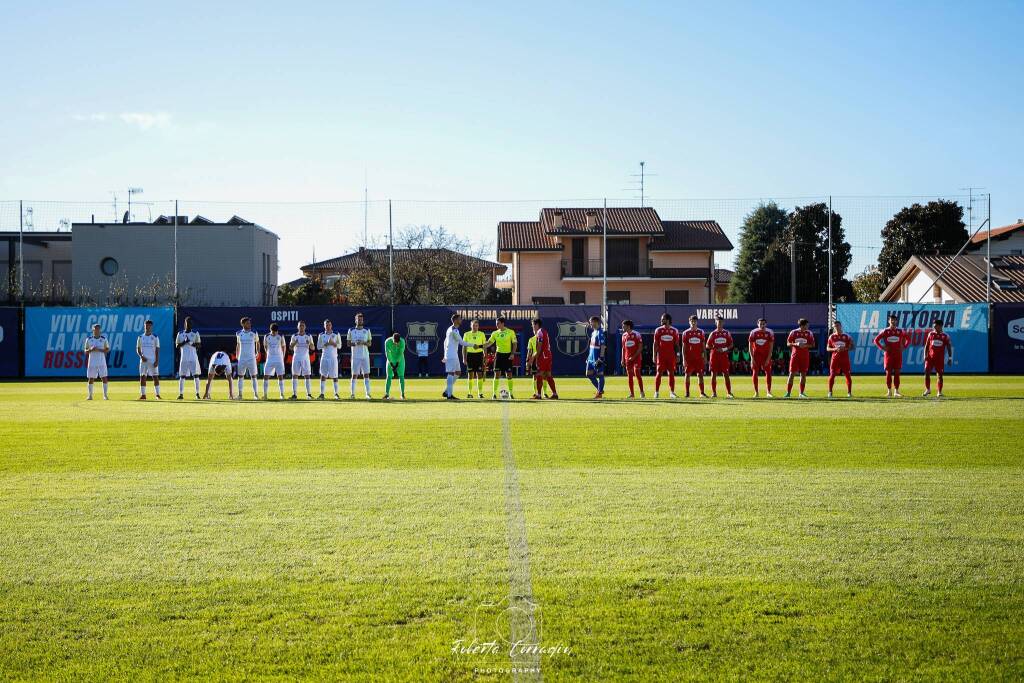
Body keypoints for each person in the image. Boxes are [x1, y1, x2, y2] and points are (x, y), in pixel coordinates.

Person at [442, 313, 478, 399]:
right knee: (451, 373)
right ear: (455, 320)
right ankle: (449, 395)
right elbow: (462, 342)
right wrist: (473, 345)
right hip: (451, 355)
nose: (461, 320)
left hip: (453, 354)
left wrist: (445, 353)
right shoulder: (453, 330)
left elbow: (445, 341)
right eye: (459, 319)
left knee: (458, 373)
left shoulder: (453, 329)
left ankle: (447, 391)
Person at [873, 314, 910, 397]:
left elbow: (908, 339)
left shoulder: (900, 331)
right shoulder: (885, 331)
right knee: (888, 373)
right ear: (889, 321)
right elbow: (876, 340)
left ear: (896, 321)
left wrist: (904, 347)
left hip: (898, 355)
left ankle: (896, 391)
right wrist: (882, 348)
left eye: (894, 320)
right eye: (891, 320)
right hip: (888, 355)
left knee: (897, 372)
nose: (893, 321)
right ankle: (889, 391)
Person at [486, 316, 518, 399]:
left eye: (498, 323)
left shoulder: (511, 332)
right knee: (496, 374)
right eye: (496, 324)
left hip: (508, 356)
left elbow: (514, 343)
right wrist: (480, 346)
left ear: (503, 323)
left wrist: (512, 354)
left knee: (509, 375)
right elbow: (489, 343)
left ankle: (511, 393)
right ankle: (494, 394)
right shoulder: (495, 333)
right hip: (499, 355)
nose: (496, 325)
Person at [785, 318, 815, 398]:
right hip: (795, 356)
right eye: (807, 325)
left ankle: (801, 393)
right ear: (802, 325)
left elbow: (813, 344)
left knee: (803, 374)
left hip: (805, 357)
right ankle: (788, 393)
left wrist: (804, 345)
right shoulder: (794, 332)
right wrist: (796, 344)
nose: (808, 326)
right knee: (791, 374)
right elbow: (788, 343)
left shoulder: (809, 333)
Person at [923, 319, 953, 398]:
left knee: (940, 375)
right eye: (934, 326)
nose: (934, 327)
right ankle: (927, 389)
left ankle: (939, 392)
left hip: (939, 359)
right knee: (926, 372)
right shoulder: (931, 334)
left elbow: (949, 347)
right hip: (930, 358)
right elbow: (926, 346)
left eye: (935, 326)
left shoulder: (945, 336)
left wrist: (950, 358)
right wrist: (924, 355)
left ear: (940, 326)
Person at [652, 313, 680, 399]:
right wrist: (654, 355)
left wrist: (678, 355)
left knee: (671, 373)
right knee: (659, 373)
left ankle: (672, 392)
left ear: (668, 320)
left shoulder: (674, 331)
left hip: (671, 356)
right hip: (661, 356)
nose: (661, 320)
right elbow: (655, 344)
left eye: (663, 319)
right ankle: (656, 392)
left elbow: (676, 345)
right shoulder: (658, 330)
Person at [706, 316, 734, 398]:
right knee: (713, 374)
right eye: (718, 322)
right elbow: (707, 345)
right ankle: (714, 393)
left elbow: (731, 344)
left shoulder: (726, 333)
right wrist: (715, 348)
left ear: (723, 323)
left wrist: (724, 349)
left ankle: (729, 393)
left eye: (721, 322)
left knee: (726, 374)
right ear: (715, 323)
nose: (720, 324)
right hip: (714, 356)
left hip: (724, 356)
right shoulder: (713, 333)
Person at [175, 316, 202, 400]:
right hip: (184, 358)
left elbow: (199, 345)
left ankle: (197, 394)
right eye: (188, 322)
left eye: (190, 322)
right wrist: (184, 342)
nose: (189, 324)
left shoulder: (195, 333)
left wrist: (190, 342)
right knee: (182, 376)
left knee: (196, 375)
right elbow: (177, 345)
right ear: (185, 323)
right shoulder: (180, 334)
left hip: (193, 358)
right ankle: (181, 394)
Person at [826, 320, 854, 398]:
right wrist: (835, 349)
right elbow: (828, 348)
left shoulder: (847, 336)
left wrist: (844, 348)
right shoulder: (831, 337)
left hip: (845, 359)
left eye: (838, 326)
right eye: (835, 326)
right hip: (835, 359)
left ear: (841, 326)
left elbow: (852, 347)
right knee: (832, 375)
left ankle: (849, 393)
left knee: (848, 375)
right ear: (834, 328)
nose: (837, 327)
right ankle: (830, 392)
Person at [347, 312, 373, 399]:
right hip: (355, 356)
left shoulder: (367, 330)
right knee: (354, 375)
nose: (360, 321)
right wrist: (355, 343)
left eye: (361, 319)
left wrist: (363, 342)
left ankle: (368, 394)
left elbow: (370, 343)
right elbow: (348, 343)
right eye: (358, 319)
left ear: (363, 320)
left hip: (365, 356)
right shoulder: (351, 330)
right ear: (355, 320)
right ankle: (352, 394)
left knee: (366, 374)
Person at [531, 317, 557, 400]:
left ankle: (538, 395)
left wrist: (534, 358)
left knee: (539, 374)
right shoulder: (544, 331)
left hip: (543, 355)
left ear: (537, 324)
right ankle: (555, 394)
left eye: (533, 325)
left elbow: (539, 348)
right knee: (547, 374)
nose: (532, 327)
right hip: (548, 355)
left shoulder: (539, 332)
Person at [235, 317, 261, 400]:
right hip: (242, 358)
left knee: (254, 376)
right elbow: (238, 344)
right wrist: (237, 355)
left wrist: (258, 352)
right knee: (240, 376)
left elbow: (257, 342)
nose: (249, 324)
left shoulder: (254, 332)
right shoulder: (238, 333)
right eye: (247, 323)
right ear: (243, 324)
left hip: (251, 358)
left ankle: (256, 395)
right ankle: (240, 395)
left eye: (250, 323)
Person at [682, 315, 707, 398]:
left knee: (700, 375)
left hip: (698, 358)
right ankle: (687, 393)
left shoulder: (701, 332)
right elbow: (684, 347)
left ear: (697, 322)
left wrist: (705, 357)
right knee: (687, 374)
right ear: (689, 322)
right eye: (691, 321)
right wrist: (684, 359)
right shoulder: (686, 333)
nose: (693, 323)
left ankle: (702, 393)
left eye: (695, 321)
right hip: (689, 359)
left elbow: (703, 346)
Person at [748, 318, 775, 398]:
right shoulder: (753, 332)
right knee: (755, 373)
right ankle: (756, 392)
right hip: (756, 356)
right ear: (758, 324)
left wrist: (768, 358)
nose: (762, 325)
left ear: (766, 324)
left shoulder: (770, 332)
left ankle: (769, 392)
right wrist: (752, 358)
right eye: (761, 324)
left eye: (764, 324)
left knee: (768, 373)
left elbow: (771, 346)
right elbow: (750, 346)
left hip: (766, 355)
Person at [83, 323, 110, 400]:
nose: (97, 330)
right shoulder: (89, 339)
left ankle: (105, 395)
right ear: (93, 330)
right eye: (95, 329)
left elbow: (107, 349)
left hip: (101, 361)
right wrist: (91, 349)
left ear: (100, 330)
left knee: (104, 377)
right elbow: (85, 351)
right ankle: (90, 395)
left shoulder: (104, 339)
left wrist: (100, 350)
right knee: (91, 378)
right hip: (92, 362)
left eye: (98, 329)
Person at [462, 318, 487, 399]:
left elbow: (484, 346)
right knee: (470, 375)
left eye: (476, 325)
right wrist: (464, 358)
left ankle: (480, 393)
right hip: (470, 356)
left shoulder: (482, 334)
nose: (475, 327)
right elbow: (464, 347)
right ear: (471, 326)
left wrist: (485, 355)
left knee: (479, 374)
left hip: (479, 355)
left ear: (478, 326)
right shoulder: (466, 334)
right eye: (473, 325)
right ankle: (470, 393)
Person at [317, 319, 341, 400]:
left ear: (331, 325)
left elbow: (340, 346)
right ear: (324, 326)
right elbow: (318, 346)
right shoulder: (321, 335)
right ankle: (322, 394)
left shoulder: (336, 334)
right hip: (324, 357)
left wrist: (333, 343)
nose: (328, 326)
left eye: (329, 325)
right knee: (323, 375)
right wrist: (326, 344)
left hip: (333, 357)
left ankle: (336, 394)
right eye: (326, 325)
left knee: (335, 376)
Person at [137, 319, 161, 400]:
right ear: (144, 326)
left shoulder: (155, 337)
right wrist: (141, 356)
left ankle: (157, 395)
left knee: (155, 377)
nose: (147, 327)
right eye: (146, 325)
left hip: (152, 360)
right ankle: (143, 395)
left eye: (149, 325)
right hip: (143, 361)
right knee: (142, 377)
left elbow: (157, 349)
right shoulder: (140, 337)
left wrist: (157, 360)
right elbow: (138, 349)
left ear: (151, 327)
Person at [290, 320, 315, 399]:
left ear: (305, 327)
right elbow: (290, 347)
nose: (301, 327)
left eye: (303, 326)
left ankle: (309, 394)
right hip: (296, 357)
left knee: (307, 375)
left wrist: (310, 343)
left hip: (305, 357)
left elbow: (313, 348)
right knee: (295, 375)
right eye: (300, 325)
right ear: (297, 327)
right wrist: (295, 343)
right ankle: (294, 394)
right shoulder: (294, 336)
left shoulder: (308, 336)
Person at [621, 319, 645, 399]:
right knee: (630, 376)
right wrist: (623, 359)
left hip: (636, 358)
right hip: (628, 359)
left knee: (637, 373)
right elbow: (623, 348)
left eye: (623, 326)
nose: (622, 327)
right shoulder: (624, 335)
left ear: (628, 326)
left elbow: (640, 347)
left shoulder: (637, 334)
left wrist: (634, 357)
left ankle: (642, 392)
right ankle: (632, 394)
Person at [263, 323, 287, 399]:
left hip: (279, 358)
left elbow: (284, 346)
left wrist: (282, 356)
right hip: (270, 359)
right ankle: (265, 395)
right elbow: (265, 346)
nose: (275, 333)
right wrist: (268, 353)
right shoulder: (266, 336)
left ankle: (282, 394)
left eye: (276, 331)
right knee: (266, 376)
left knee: (280, 376)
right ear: (271, 330)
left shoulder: (280, 336)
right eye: (273, 332)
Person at [586, 315, 607, 399]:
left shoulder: (600, 333)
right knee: (588, 374)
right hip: (591, 358)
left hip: (597, 358)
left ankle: (599, 392)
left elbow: (602, 346)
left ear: (596, 322)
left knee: (600, 375)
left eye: (591, 322)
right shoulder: (593, 332)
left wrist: (601, 358)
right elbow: (591, 346)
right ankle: (600, 390)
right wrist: (588, 357)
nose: (591, 324)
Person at [384, 332, 407, 400]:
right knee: (389, 376)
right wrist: (391, 364)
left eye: (398, 342)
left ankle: (402, 394)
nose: (396, 343)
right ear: (392, 338)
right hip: (390, 359)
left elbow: (401, 353)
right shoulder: (387, 342)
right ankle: (386, 394)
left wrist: (396, 364)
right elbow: (387, 353)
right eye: (395, 341)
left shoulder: (402, 341)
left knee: (401, 376)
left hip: (400, 360)